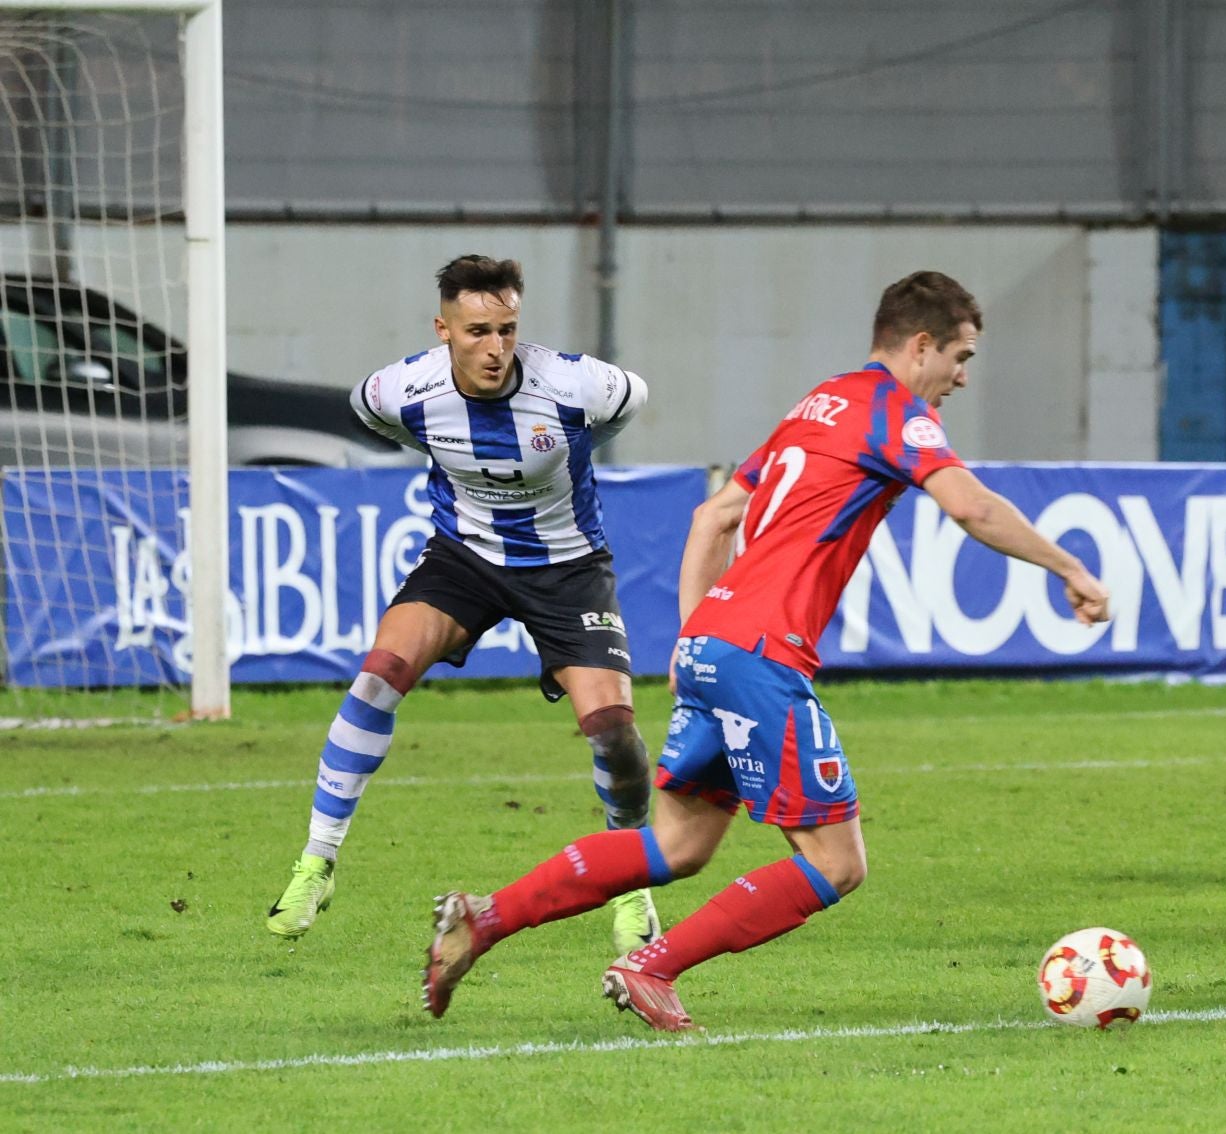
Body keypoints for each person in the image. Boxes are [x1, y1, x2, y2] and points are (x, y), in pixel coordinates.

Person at [420, 271, 1111, 1030]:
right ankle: (650, 965)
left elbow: (714, 517)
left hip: (715, 643)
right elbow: (971, 505)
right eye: (961, 356)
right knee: (837, 863)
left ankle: (483, 916)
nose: (963, 377)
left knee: (679, 844)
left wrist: (693, 640)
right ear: (921, 346)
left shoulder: (820, 401)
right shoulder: (891, 410)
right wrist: (1070, 568)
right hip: (761, 656)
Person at [265, 255, 661, 955]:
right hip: (465, 558)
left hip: (567, 567)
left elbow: (633, 399)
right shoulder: (403, 388)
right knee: (379, 673)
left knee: (613, 731)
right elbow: (372, 416)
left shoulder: (572, 383)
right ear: (443, 329)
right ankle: (316, 862)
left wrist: (574, 450)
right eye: (477, 330)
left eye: (507, 329)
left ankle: (631, 883)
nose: (495, 347)